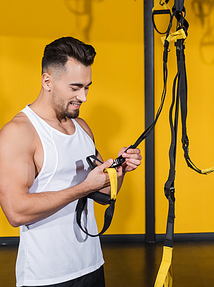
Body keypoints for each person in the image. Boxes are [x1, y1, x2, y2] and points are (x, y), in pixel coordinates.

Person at [0, 37, 142, 287]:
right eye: (75, 88)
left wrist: (119, 171)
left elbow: (105, 193)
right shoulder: (19, 132)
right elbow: (16, 212)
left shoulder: (82, 127)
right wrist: (83, 187)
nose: (84, 97)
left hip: (91, 264)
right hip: (47, 277)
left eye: (87, 87)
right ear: (48, 81)